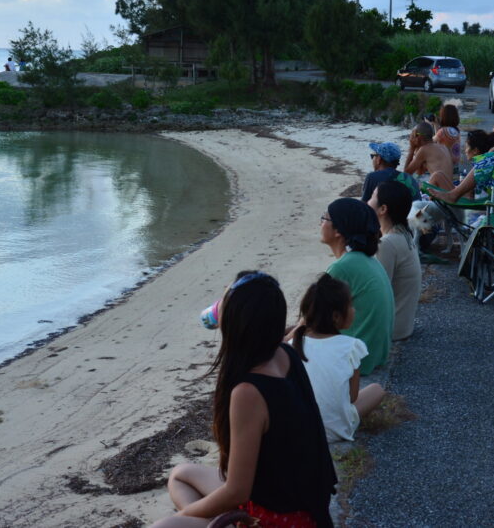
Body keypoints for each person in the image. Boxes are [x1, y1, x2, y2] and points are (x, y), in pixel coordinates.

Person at [155, 272, 336, 527]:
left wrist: (181, 517)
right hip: (301, 503)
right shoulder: (285, 353)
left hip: (282, 518)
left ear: (233, 323)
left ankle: (218, 521)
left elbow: (237, 492)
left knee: (165, 526)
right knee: (180, 475)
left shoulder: (248, 392)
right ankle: (219, 521)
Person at [286, 274, 386, 443]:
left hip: (300, 429)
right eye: (351, 306)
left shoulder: (291, 344)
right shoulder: (352, 346)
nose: (354, 310)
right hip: (336, 430)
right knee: (377, 389)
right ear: (336, 316)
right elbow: (352, 397)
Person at [321, 198, 394, 374]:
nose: (321, 223)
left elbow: (309, 322)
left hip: (357, 361)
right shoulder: (367, 260)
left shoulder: (342, 268)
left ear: (338, 230)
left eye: (324, 218)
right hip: (374, 354)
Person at [370, 180, 422, 341]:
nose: (367, 201)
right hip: (402, 325)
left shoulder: (387, 243)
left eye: (372, 197)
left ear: (383, 209)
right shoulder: (403, 234)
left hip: (390, 330)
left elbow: (377, 294)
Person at [429, 130, 494, 204]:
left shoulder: (484, 163)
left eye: (467, 147)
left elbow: (470, 195)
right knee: (438, 175)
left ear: (475, 150)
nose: (465, 150)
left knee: (437, 178)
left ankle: (440, 202)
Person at [403, 121, 453, 190]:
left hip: (442, 194)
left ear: (418, 136)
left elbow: (406, 173)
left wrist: (412, 148)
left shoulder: (424, 150)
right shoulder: (442, 146)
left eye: (414, 135)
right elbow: (420, 172)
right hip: (449, 189)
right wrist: (417, 149)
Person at [434, 104, 463, 168]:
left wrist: (428, 124)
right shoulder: (456, 131)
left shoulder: (442, 131)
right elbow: (439, 139)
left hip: (445, 165)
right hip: (455, 164)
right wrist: (436, 126)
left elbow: (431, 141)